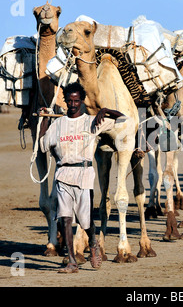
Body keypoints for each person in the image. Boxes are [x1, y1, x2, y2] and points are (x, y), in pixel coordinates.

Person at [39, 82, 125, 273]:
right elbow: (44, 145)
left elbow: (123, 120)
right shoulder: (58, 124)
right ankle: (71, 261)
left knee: (85, 222)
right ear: (65, 101)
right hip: (62, 175)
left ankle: (93, 242)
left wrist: (106, 110)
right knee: (65, 219)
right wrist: (45, 119)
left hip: (84, 175)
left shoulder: (92, 121)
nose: (73, 104)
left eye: (76, 101)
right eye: (69, 100)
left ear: (82, 101)